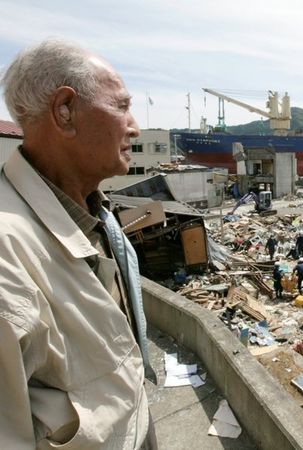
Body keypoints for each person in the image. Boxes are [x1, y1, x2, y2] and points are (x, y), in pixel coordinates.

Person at [0, 39, 156, 449]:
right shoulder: (7, 250)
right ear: (64, 112)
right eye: (121, 106)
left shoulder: (96, 211)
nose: (135, 126)